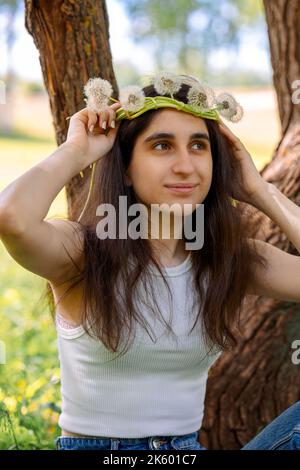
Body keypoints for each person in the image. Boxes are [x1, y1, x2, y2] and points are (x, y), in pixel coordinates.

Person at [1, 72, 300, 451]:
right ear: (125, 167)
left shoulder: (232, 259)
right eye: (162, 146)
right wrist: (77, 151)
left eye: (198, 146)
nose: (185, 166)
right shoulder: (84, 252)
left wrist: (260, 190)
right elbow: (12, 217)